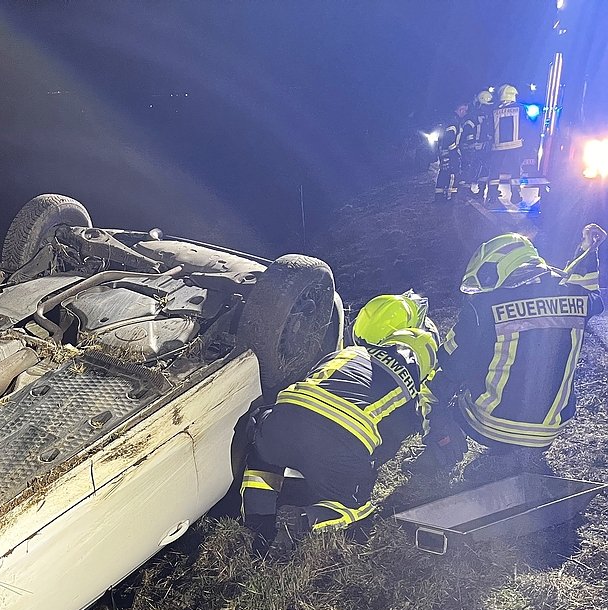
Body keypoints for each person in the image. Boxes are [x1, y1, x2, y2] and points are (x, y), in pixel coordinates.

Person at [240, 296, 436, 547]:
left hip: (285, 419)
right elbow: (383, 450)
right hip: (339, 444)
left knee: (263, 454)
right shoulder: (410, 398)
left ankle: (258, 520)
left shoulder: (351, 353)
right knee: (358, 507)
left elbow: (313, 375)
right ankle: (304, 520)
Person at [419, 228, 604, 472]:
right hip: (549, 429)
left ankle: (439, 455)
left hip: (490, 425)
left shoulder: (484, 305)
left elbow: (452, 363)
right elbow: (591, 292)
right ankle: (519, 454)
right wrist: (588, 250)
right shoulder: (578, 295)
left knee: (436, 389)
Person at [484, 85, 524, 207]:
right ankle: (515, 195)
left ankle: (492, 196)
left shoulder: (494, 110)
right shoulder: (520, 108)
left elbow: (489, 128)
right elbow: (527, 125)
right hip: (515, 146)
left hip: (498, 147)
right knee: (515, 171)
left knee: (494, 172)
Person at [435, 103, 470, 202]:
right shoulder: (454, 122)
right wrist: (454, 151)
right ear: (461, 110)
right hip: (449, 153)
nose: (465, 113)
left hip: (445, 152)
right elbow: (449, 138)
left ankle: (440, 196)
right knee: (453, 173)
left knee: (444, 173)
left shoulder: (451, 120)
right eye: (465, 110)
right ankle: (452, 197)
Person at [465, 90, 494, 195]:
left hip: (485, 147)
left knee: (485, 169)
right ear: (479, 105)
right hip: (474, 148)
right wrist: (472, 144)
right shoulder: (473, 117)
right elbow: (468, 130)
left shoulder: (488, 117)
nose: (487, 108)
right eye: (485, 106)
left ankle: (481, 190)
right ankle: (466, 190)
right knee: (472, 168)